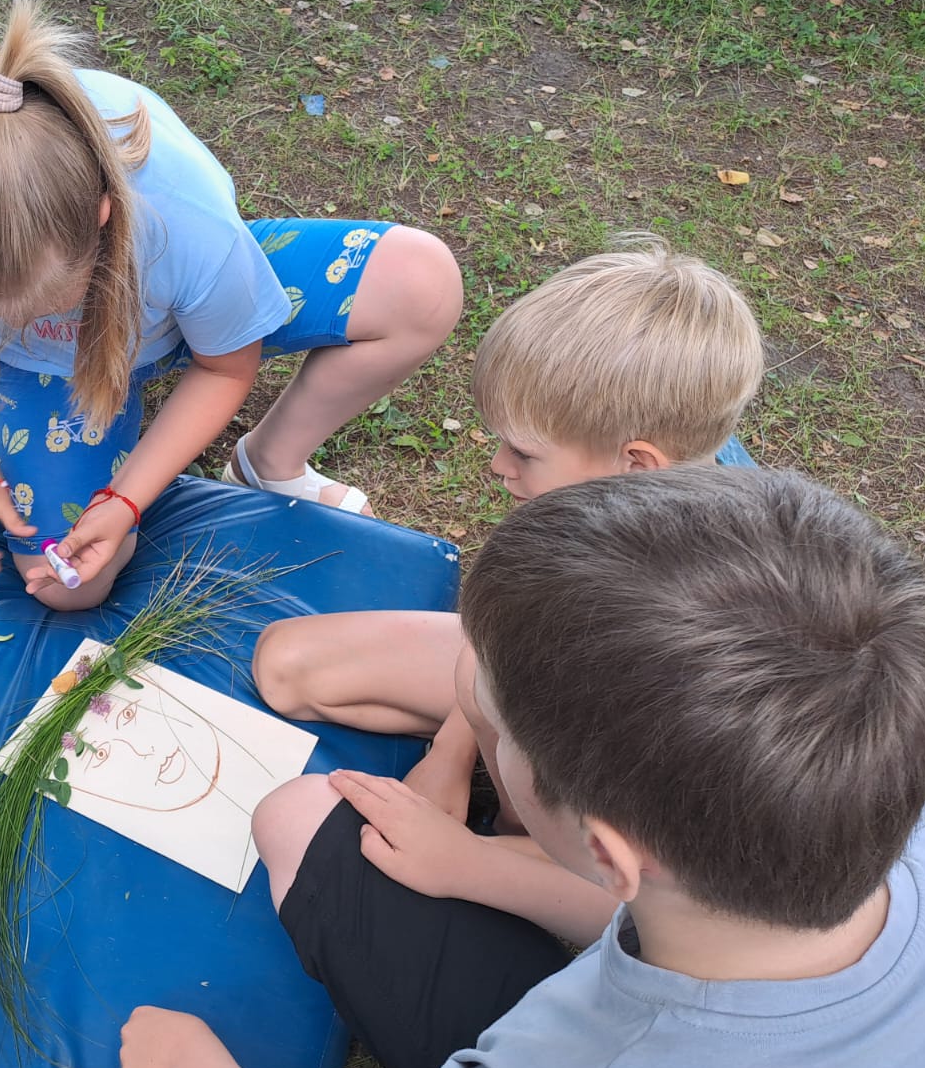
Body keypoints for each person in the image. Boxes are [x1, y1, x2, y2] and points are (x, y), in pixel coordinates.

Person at [50, 466, 925, 1068]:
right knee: (299, 814)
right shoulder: (890, 812)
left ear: (609, 849)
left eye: (489, 728)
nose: (469, 720)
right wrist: (475, 865)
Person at [0, 0, 462, 610]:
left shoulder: (185, 220)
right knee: (67, 589)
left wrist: (124, 501)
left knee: (421, 283)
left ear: (102, 219)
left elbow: (224, 365)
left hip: (184, 318)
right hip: (60, 370)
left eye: (40, 305)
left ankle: (269, 460)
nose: (16, 324)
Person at [255, 238, 763, 849]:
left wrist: (471, 855)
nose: (497, 465)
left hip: (634, 761)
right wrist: (448, 756)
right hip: (534, 682)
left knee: (525, 769)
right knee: (288, 667)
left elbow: (649, 861)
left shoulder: (698, 614)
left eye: (523, 451)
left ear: (637, 465)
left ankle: (521, 842)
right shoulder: (612, 492)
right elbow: (492, 648)